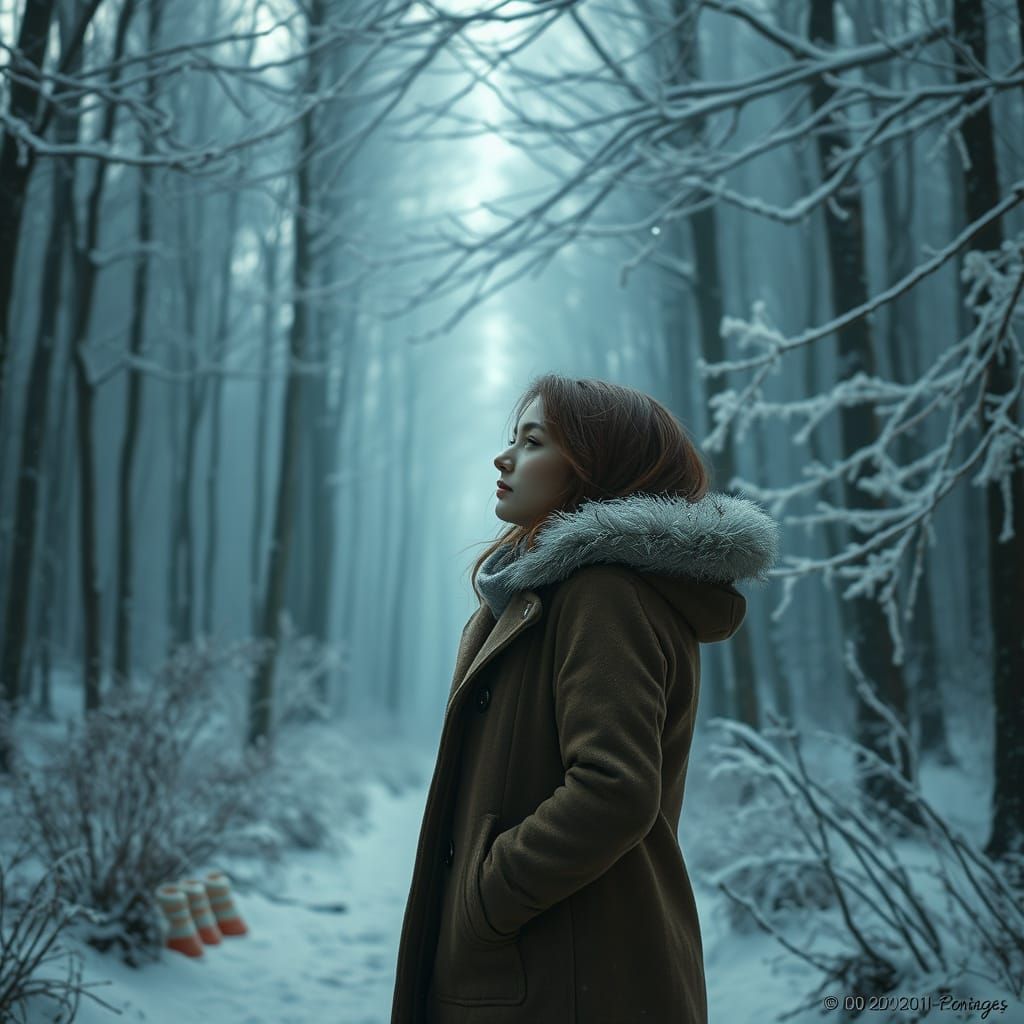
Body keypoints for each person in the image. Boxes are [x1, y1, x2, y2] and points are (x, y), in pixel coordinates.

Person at [391, 374, 779, 1024]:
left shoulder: (601, 595)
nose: (504, 457)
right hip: (552, 971)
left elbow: (614, 789)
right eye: (512, 438)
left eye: (533, 441)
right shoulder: (550, 595)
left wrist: (488, 896)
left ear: (595, 468)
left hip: (565, 979)